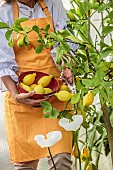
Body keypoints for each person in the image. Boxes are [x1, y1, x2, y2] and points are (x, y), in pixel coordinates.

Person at [0, 0, 78, 169]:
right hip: (22, 98)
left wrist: (67, 67)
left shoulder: (53, 4)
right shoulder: (4, 13)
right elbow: (2, 61)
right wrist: (16, 95)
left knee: (61, 160)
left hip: (56, 94)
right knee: (24, 165)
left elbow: (64, 41)